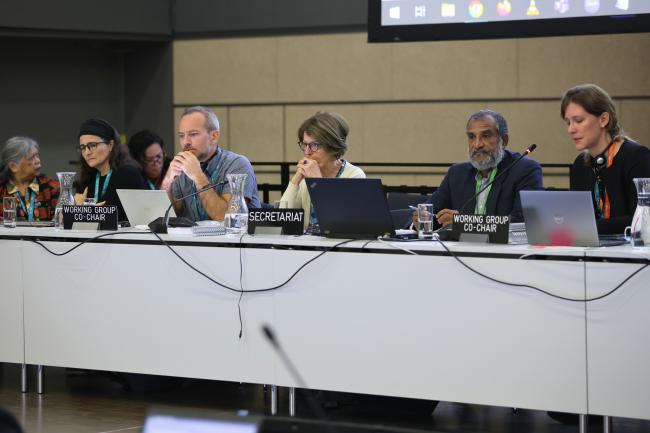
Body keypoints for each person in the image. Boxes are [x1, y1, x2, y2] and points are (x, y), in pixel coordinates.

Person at [414, 109, 543, 228]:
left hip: (504, 252)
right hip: (460, 251)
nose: (477, 145)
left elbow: (522, 223)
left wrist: (464, 222)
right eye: (471, 137)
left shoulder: (525, 170)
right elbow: (432, 213)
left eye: (486, 136)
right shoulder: (457, 174)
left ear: (503, 140)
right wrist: (421, 219)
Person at [562, 84, 650, 234]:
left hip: (631, 253)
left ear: (603, 119)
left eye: (578, 120)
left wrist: (588, 226)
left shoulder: (637, 157)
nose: (571, 129)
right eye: (568, 122)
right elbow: (580, 219)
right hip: (590, 252)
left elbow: (643, 219)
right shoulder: (580, 164)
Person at [161, 106, 260, 221]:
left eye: (193, 134)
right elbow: (167, 215)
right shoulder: (182, 167)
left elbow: (228, 218)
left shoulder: (237, 164)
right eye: (181, 136)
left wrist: (198, 176)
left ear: (214, 136)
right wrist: (168, 179)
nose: (186, 142)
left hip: (233, 238)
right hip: (191, 238)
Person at [280, 111, 366, 232]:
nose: (307, 152)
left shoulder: (354, 175)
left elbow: (342, 224)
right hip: (306, 248)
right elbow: (281, 219)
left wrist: (317, 182)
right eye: (305, 145)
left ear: (332, 146)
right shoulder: (306, 178)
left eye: (314, 145)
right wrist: (296, 180)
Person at [74, 118, 148, 222]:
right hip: (90, 237)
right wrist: (75, 209)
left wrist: (86, 212)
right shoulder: (88, 177)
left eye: (92, 145)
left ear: (110, 145)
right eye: (83, 147)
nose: (87, 152)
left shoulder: (128, 175)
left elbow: (142, 219)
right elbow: (66, 220)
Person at [0, 136, 60, 222]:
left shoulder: (52, 188)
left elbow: (62, 223)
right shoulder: (2, 190)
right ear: (13, 166)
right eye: (32, 158)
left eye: (37, 156)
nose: (38, 161)